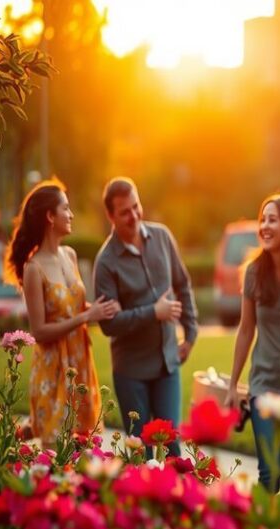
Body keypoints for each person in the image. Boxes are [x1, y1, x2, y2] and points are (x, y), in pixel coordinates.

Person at [5, 179, 120, 446]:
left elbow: (73, 308)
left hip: (80, 365)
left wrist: (100, 310)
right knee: (57, 458)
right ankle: (3, 445)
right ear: (49, 216)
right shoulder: (34, 269)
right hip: (53, 372)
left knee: (86, 447)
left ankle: (12, 439)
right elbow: (39, 331)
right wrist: (84, 318)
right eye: (65, 208)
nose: (71, 214)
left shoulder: (69, 255)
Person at [93, 177, 198, 457]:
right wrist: (154, 312)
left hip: (167, 365)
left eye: (136, 206)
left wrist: (190, 333)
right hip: (131, 372)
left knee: (172, 446)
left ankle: (177, 501)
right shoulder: (106, 262)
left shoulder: (162, 236)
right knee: (141, 453)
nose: (134, 215)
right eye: (125, 211)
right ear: (111, 216)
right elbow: (109, 324)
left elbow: (183, 283)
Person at [224, 194, 280, 492]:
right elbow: (246, 330)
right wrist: (233, 385)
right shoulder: (253, 272)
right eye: (262, 219)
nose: (264, 225)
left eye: (272, 219)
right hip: (264, 387)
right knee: (269, 474)